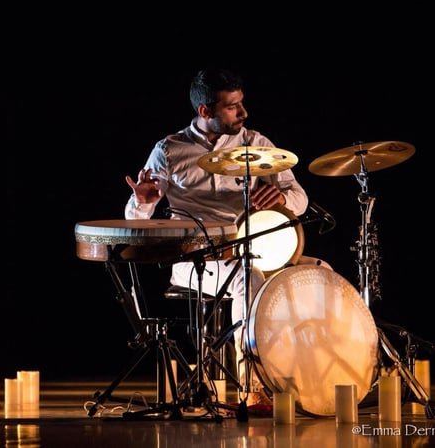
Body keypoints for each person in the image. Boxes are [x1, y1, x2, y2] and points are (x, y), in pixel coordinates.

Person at [124, 67, 309, 403]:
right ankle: (254, 386)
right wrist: (143, 201)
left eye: (241, 103)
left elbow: (300, 198)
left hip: (254, 250)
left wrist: (283, 199)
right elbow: (135, 222)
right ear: (205, 111)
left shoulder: (257, 144)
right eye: (232, 106)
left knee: (317, 273)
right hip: (194, 259)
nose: (243, 112)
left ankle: (312, 378)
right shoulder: (169, 149)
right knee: (247, 278)